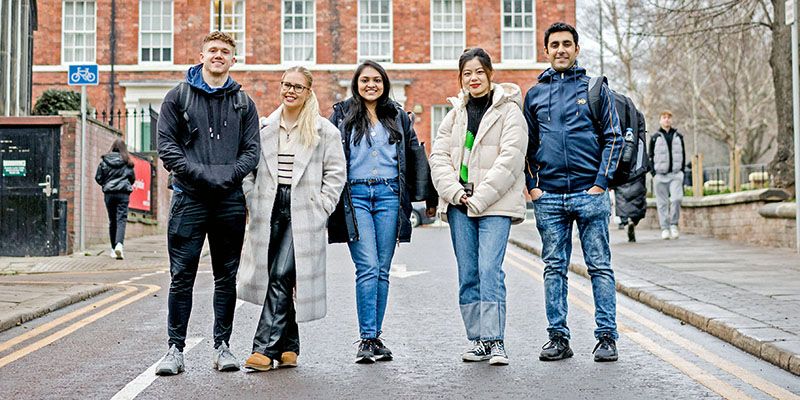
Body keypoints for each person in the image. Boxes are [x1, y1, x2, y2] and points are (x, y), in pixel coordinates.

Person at [155, 31, 260, 375]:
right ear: (201, 56)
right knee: (181, 276)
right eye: (212, 50)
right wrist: (202, 174)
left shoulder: (244, 103)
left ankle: (222, 347)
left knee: (226, 277)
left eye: (225, 51)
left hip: (228, 201)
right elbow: (167, 147)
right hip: (189, 198)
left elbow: (252, 152)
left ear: (233, 59)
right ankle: (175, 350)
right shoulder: (177, 97)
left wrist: (226, 176)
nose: (218, 55)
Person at [523, 22, 623, 363]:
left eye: (567, 44)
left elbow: (614, 137)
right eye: (555, 45)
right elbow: (527, 144)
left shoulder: (595, 89)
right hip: (548, 196)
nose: (561, 49)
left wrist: (601, 183)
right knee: (553, 268)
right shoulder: (534, 94)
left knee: (600, 267)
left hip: (589, 193)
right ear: (546, 50)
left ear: (577, 49)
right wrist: (533, 186)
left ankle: (607, 337)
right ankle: (558, 338)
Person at [236, 67, 347, 371]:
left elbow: (336, 174)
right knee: (275, 274)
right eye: (286, 85)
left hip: (304, 209)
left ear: (308, 92)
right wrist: (251, 199)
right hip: (269, 207)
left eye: (298, 87)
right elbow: (248, 169)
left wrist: (322, 206)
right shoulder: (264, 127)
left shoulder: (325, 131)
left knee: (282, 274)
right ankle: (289, 346)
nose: (290, 91)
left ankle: (263, 348)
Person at [328, 60, 436, 364]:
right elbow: (328, 154)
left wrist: (427, 195)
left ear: (384, 83)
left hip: (389, 195)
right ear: (356, 84)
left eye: (376, 80)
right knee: (368, 266)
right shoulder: (342, 115)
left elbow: (415, 156)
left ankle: (375, 337)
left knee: (382, 270)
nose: (371, 85)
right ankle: (366, 338)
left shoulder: (398, 116)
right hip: (357, 195)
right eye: (365, 80)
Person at [429, 48, 527, 366]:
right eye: (467, 73)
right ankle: (478, 340)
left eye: (479, 72)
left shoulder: (509, 111)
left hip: (495, 204)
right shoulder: (455, 114)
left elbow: (511, 159)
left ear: (490, 74)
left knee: (489, 270)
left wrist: (481, 197)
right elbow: (439, 157)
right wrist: (455, 193)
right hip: (460, 204)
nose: (474, 78)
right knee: (468, 273)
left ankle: (496, 340)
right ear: (461, 78)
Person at [94, 138, 136, 260]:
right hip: (123, 193)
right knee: (121, 220)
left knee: (112, 221)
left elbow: (98, 177)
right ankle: (119, 245)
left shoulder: (104, 161)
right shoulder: (127, 162)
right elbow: (132, 178)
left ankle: (113, 249)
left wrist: (105, 184)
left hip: (109, 194)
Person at [649, 110, 685, 240]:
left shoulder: (678, 136)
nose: (667, 120)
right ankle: (665, 228)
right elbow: (650, 156)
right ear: (660, 120)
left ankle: (674, 225)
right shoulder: (655, 137)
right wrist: (653, 173)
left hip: (675, 174)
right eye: (664, 117)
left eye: (669, 117)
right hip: (660, 175)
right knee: (662, 203)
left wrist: (682, 172)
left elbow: (683, 154)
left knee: (676, 199)